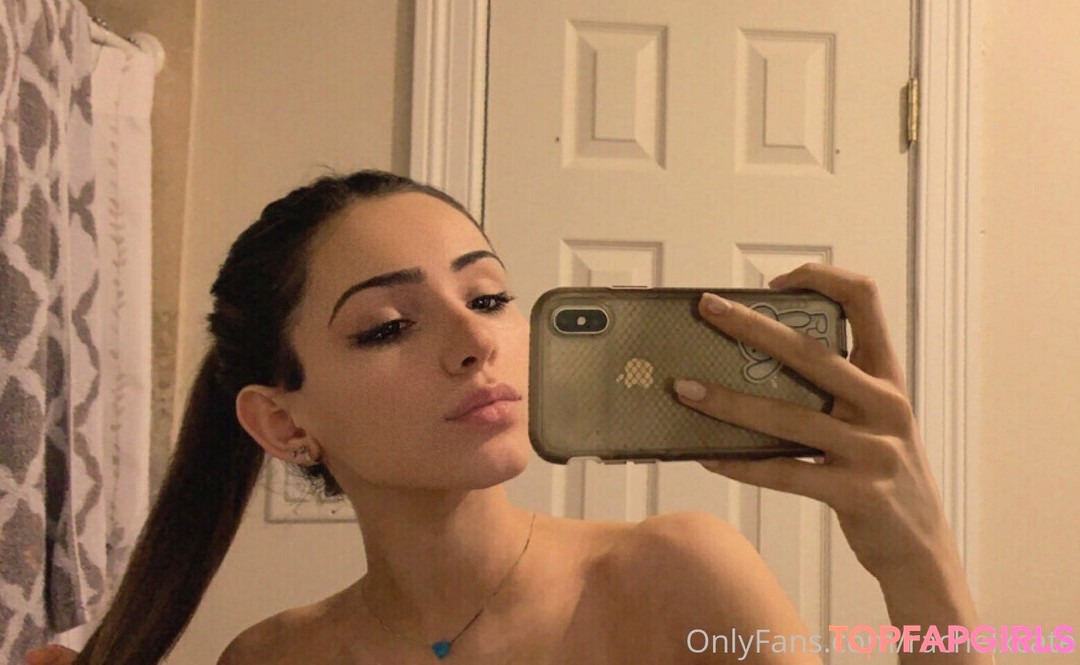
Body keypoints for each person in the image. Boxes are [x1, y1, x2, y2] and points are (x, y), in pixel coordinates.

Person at [25, 170, 989, 664]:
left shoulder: (678, 579)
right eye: (388, 324)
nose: (474, 340)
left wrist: (920, 564)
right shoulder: (273, 657)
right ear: (282, 424)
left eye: (487, 296)